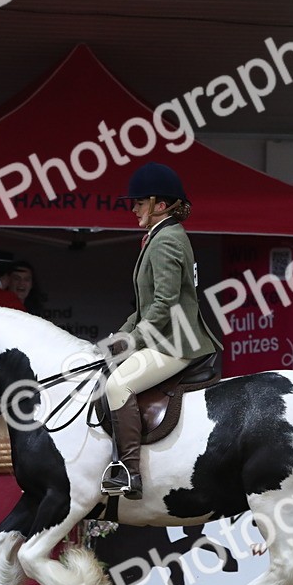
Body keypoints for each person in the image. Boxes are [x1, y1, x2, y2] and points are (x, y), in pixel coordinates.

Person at [101, 163, 221, 499]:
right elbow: (143, 308)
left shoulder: (167, 240)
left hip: (175, 343)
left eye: (139, 202)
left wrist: (131, 343)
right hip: (164, 335)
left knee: (117, 385)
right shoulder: (159, 237)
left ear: (160, 205)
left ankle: (129, 471)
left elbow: (165, 305)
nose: (133, 208)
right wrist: (117, 338)